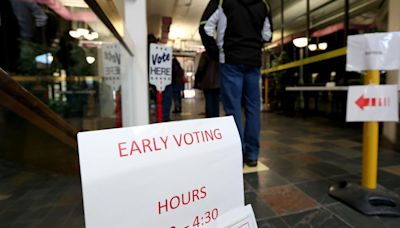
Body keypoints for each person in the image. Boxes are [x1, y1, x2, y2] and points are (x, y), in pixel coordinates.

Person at [199, 0, 272, 167]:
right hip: (253, 61)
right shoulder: (263, 4)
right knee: (253, 108)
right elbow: (267, 35)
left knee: (233, 110)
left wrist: (215, 53)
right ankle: (252, 155)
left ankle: (237, 155)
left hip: (230, 61)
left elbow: (205, 27)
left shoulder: (222, 1)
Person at [194, 51, 220, 118]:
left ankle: (209, 117)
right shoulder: (220, 53)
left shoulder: (206, 54)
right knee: (216, 101)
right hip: (218, 81)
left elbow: (201, 67)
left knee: (209, 100)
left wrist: (198, 80)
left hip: (207, 81)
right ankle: (216, 117)